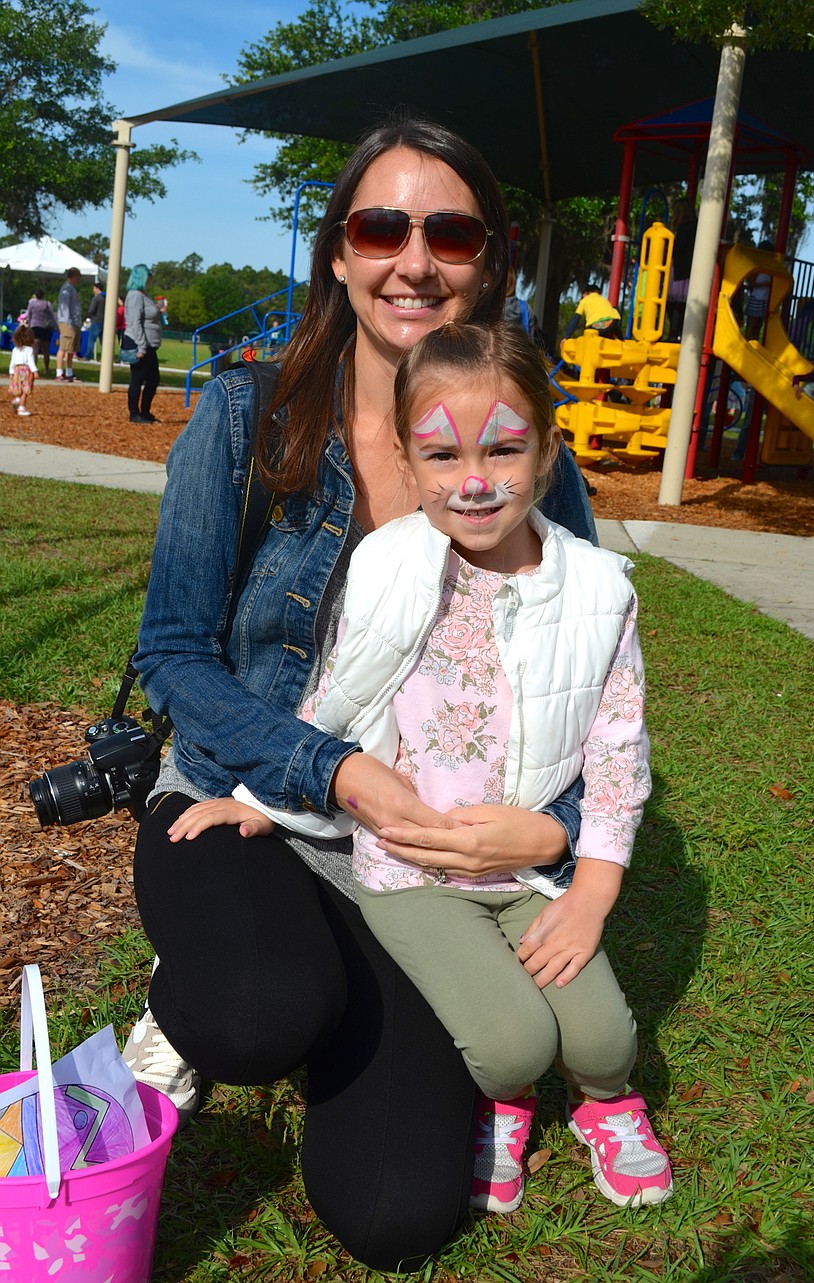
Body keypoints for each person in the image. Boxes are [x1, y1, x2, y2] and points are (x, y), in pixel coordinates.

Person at [124, 116, 601, 1273]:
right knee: (253, 1016)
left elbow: (586, 678)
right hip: (239, 802)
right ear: (340, 252)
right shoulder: (244, 416)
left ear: (486, 259)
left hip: (417, 866)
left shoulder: (537, 459)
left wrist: (561, 831)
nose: (414, 259)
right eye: (382, 226)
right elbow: (175, 651)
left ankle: (320, 966)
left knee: (393, 1210)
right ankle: (209, 984)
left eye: (450, 231)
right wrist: (328, 770)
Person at [170, 319, 672, 1217]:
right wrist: (262, 801)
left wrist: (591, 887)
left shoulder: (601, 590)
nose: (474, 480)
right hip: (408, 868)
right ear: (407, 459)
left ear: (549, 450)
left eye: (505, 448)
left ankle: (606, 1105)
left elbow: (618, 752)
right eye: (441, 455)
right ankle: (508, 1102)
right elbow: (336, 699)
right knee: (513, 1043)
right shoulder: (390, 567)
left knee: (604, 1036)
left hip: (527, 869)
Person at [123, 265, 162, 423]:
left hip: (149, 344)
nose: (150, 278)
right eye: (148, 275)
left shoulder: (144, 294)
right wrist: (141, 346)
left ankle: (145, 411)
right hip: (140, 343)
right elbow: (134, 322)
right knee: (137, 378)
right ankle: (134, 413)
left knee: (153, 379)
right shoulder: (135, 296)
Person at [665, 197, 697, 342]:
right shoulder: (696, 226)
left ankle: (676, 332)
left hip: (681, 270)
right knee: (682, 303)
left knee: (675, 302)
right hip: (690, 269)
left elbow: (678, 248)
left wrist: (667, 246)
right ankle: (681, 333)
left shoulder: (686, 227)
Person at [55, 267, 82, 381]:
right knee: (64, 347)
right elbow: (65, 307)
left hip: (74, 322)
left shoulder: (72, 289)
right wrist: (68, 322)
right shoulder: (66, 289)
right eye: (78, 276)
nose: (79, 279)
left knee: (71, 349)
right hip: (67, 322)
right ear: (73, 276)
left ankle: (69, 372)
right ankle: (59, 372)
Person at [24, 289, 57, 376]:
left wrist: (29, 325)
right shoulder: (47, 304)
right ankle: (47, 368)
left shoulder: (32, 303)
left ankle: (34, 369)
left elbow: (29, 315)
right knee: (46, 350)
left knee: (35, 350)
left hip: (35, 327)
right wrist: (55, 325)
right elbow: (52, 316)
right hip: (45, 328)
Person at [8, 324, 39, 416]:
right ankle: (21, 408)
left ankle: (17, 400)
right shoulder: (29, 349)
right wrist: (35, 371)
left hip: (17, 370)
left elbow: (12, 362)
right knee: (25, 390)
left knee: (19, 388)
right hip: (26, 371)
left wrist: (11, 372)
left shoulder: (15, 349)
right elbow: (31, 362)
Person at [86, 282, 106, 361]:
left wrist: (89, 316)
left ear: (97, 288)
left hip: (96, 320)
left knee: (91, 339)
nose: (93, 290)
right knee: (103, 341)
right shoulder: (105, 298)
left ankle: (88, 355)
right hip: (104, 321)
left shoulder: (96, 298)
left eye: (94, 288)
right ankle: (105, 357)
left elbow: (91, 310)